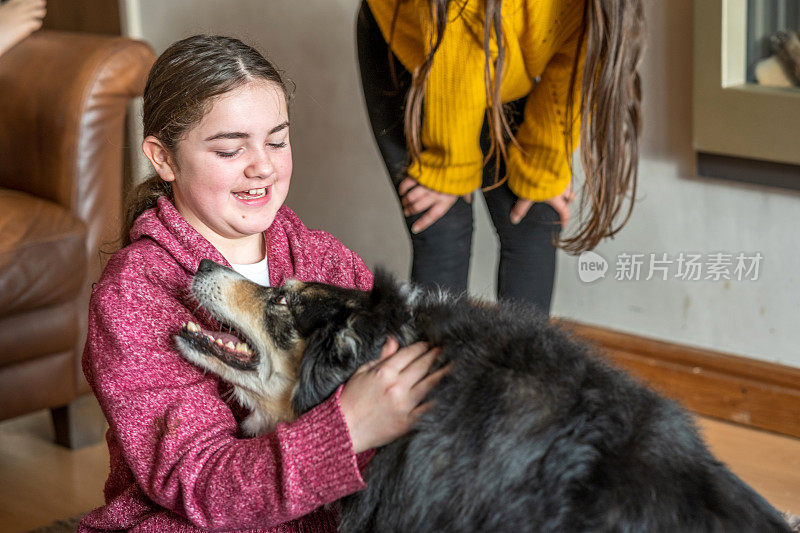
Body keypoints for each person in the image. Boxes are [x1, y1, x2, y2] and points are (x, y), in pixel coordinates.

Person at [79, 35, 445, 532]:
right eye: (230, 149)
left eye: (277, 140)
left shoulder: (324, 259)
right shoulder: (134, 294)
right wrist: (350, 428)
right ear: (162, 158)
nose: (264, 166)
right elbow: (200, 482)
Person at [357, 0, 644, 313]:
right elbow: (458, 45)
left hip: (508, 51)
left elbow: (583, 51)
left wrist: (543, 167)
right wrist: (449, 168)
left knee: (535, 216)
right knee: (443, 225)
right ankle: (437, 360)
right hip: (420, 40)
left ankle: (521, 362)